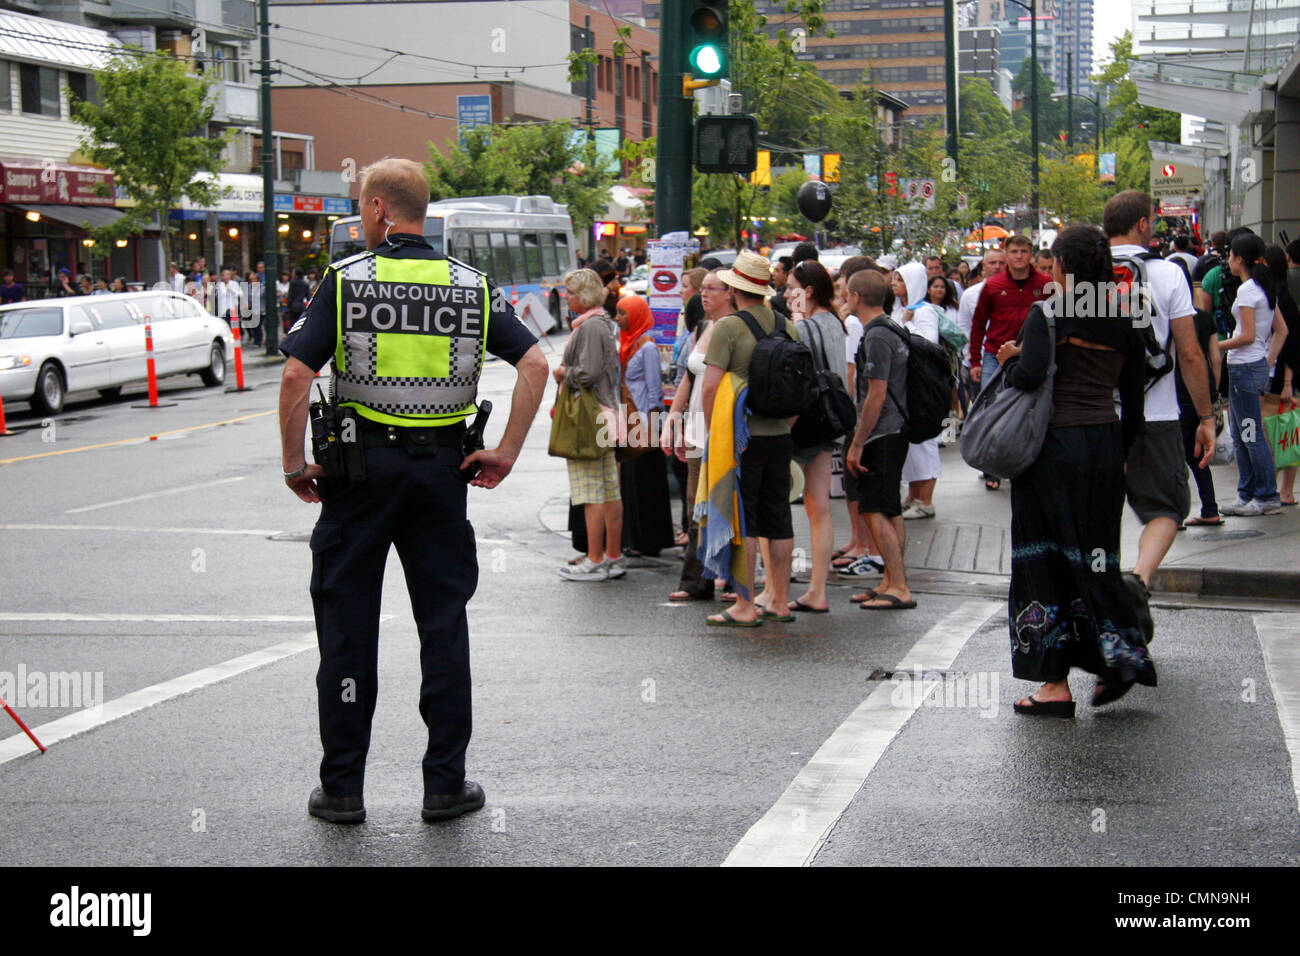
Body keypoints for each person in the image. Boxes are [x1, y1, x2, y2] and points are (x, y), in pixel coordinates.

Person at [278, 157, 546, 824]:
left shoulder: (346, 282)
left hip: (358, 474)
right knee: (443, 628)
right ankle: (444, 785)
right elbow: (537, 363)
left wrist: (292, 464)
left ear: (377, 209)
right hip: (441, 475)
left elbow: (294, 376)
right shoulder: (471, 286)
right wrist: (506, 451)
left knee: (347, 631)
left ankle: (342, 790)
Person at [998, 224, 1154, 718]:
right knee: (1098, 557)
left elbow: (1028, 376)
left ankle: (1053, 685)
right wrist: (1122, 451)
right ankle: (1119, 660)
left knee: (1042, 558)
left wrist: (1010, 358)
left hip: (1053, 450)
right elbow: (1134, 402)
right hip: (1104, 446)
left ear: (1063, 266)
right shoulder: (1125, 317)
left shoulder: (1049, 314)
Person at [1105, 191, 1215, 628]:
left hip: (1094, 417)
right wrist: (1206, 417)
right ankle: (1139, 579)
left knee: (1100, 512)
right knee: (1169, 506)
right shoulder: (1168, 274)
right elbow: (1189, 353)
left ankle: (1104, 595)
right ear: (1144, 225)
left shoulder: (1084, 273)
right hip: (1157, 414)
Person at [701, 249, 800, 626]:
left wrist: (716, 431)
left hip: (742, 439)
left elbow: (710, 388)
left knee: (745, 521)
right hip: (779, 435)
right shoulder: (785, 325)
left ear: (734, 288)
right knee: (780, 519)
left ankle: (744, 604)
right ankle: (779, 600)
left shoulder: (727, 327)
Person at [845, 269, 914, 611]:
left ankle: (899, 585)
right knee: (888, 507)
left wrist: (858, 442)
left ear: (856, 297)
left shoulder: (876, 336)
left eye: (847, 293)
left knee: (874, 508)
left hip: (882, 432)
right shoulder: (893, 327)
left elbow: (876, 394)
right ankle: (890, 580)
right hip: (895, 429)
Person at [663, 269, 729, 601]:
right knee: (694, 506)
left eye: (711, 289)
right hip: (696, 430)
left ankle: (730, 578)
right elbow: (689, 376)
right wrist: (673, 418)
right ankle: (695, 581)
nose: (703, 294)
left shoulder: (737, 328)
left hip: (724, 431)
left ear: (729, 292)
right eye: (701, 289)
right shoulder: (703, 327)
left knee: (723, 504)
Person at [784, 259, 845, 613]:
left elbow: (796, 378)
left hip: (802, 424)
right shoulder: (836, 323)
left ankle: (778, 579)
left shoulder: (804, 327)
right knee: (818, 505)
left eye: (792, 287)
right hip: (829, 422)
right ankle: (817, 588)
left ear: (807, 292)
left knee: (782, 503)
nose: (786, 293)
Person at [556, 268, 624, 581]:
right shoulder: (602, 324)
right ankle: (611, 555)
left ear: (583, 295)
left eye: (570, 292)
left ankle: (596, 558)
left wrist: (562, 374)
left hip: (590, 417)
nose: (565, 297)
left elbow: (588, 372)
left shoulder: (591, 327)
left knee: (590, 490)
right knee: (608, 489)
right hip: (605, 414)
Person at [969, 234, 1050, 489]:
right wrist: (975, 360)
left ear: (1031, 253)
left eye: (1024, 251)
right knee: (992, 407)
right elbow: (979, 324)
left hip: (1030, 354)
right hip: (995, 354)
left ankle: (1024, 458)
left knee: (1030, 406)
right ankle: (992, 466)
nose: (1019, 256)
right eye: (1014, 251)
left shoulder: (1045, 283)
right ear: (1006, 254)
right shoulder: (993, 285)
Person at [1219, 232, 1288, 516]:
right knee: (1241, 433)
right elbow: (1280, 330)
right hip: (1251, 367)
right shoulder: (1263, 288)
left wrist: (1216, 345)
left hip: (1244, 368)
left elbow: (1246, 335)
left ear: (1239, 259)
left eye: (1231, 254)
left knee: (1249, 434)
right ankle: (1247, 494)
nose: (1228, 259)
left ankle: (1265, 495)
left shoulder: (1248, 290)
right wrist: (1267, 360)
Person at [617, 294, 674, 558]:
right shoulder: (627, 344)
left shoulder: (647, 347)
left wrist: (654, 426)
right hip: (627, 421)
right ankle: (634, 538)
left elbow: (654, 390)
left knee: (646, 481)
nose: (618, 319)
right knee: (631, 480)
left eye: (622, 313)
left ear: (636, 315)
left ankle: (649, 540)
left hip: (642, 421)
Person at [895, 264, 945, 520]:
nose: (894, 283)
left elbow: (928, 344)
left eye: (900, 279)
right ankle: (913, 496)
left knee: (924, 442)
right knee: (911, 444)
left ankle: (926, 500)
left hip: (922, 386)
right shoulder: (901, 309)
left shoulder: (924, 312)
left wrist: (906, 326)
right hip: (905, 385)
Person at [1265, 245, 1300, 505]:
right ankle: (1279, 489)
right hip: (1277, 372)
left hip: (1282, 374)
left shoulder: (1282, 299)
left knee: (1286, 433)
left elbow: (1292, 341)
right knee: (1281, 432)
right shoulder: (1272, 295)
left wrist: (1288, 380)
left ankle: (1284, 490)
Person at [957, 248, 1005, 418]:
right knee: (984, 411)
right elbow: (965, 328)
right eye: (993, 263)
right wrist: (972, 358)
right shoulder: (970, 295)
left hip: (1007, 358)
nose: (997, 267)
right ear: (983, 266)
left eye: (1002, 263)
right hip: (982, 361)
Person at [285, 268, 310, 332]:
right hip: (302, 305)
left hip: (294, 305)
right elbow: (308, 296)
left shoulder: (293, 282)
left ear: (296, 274)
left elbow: (290, 295)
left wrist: (288, 306)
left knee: (293, 322)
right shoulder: (305, 283)